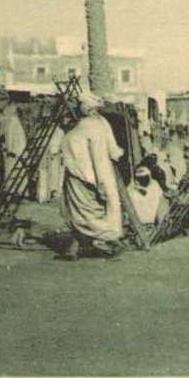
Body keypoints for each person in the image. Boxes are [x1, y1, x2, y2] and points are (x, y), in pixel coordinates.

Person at [59, 92, 125, 259]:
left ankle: (110, 240)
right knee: (78, 214)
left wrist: (99, 183)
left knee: (86, 216)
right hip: (81, 176)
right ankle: (74, 248)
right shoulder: (98, 123)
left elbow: (99, 157)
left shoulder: (92, 127)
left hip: (85, 178)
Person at [0, 104, 27, 184]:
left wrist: (9, 149)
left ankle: (12, 190)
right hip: (17, 151)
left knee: (12, 171)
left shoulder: (11, 121)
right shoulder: (14, 121)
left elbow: (9, 136)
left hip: (13, 152)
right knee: (18, 172)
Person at [36, 125, 65, 203]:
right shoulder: (50, 131)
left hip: (53, 156)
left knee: (51, 177)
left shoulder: (58, 131)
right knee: (44, 175)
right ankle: (43, 196)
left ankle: (48, 195)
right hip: (48, 155)